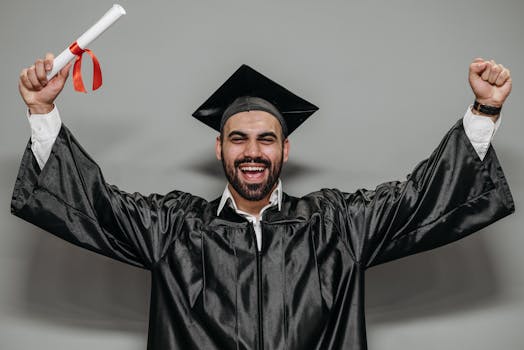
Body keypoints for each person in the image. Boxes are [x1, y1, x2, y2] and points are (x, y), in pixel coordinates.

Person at [12, 53, 514, 350]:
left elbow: (419, 201)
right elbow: (96, 206)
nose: (252, 152)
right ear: (220, 147)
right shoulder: (173, 228)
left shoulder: (336, 225)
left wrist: (483, 109)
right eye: (239, 139)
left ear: (285, 148)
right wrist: (43, 110)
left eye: (266, 139)